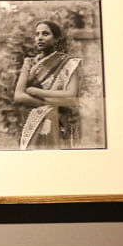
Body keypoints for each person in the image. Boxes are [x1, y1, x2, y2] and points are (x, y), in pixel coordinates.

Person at [13, 21, 82, 150]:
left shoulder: (69, 63)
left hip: (57, 122)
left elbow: (71, 96)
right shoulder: (29, 63)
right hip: (31, 121)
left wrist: (37, 92)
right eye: (37, 34)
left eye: (45, 34)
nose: (39, 37)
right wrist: (54, 102)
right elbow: (18, 96)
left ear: (56, 39)